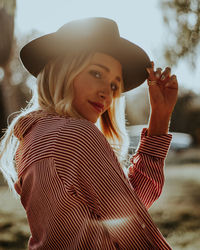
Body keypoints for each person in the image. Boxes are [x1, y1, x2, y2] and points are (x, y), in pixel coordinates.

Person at [0, 17, 178, 249]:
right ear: (63, 70)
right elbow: (137, 233)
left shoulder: (33, 137)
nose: (107, 92)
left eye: (115, 85)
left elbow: (123, 209)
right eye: (96, 74)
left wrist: (160, 118)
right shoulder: (77, 135)